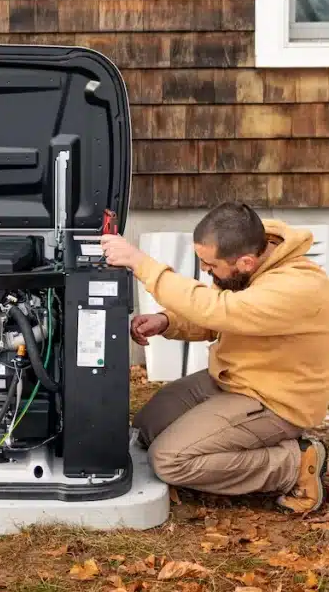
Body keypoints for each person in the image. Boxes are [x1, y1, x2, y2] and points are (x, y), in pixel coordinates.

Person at [101, 202, 329, 515]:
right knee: (146, 428)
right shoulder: (247, 265)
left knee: (169, 460)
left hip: (273, 399)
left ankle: (294, 463)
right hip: (231, 378)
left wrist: (141, 264)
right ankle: (231, 440)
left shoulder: (296, 287)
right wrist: (167, 321)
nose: (206, 271)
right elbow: (218, 317)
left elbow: (221, 310)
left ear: (247, 262)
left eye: (210, 266)